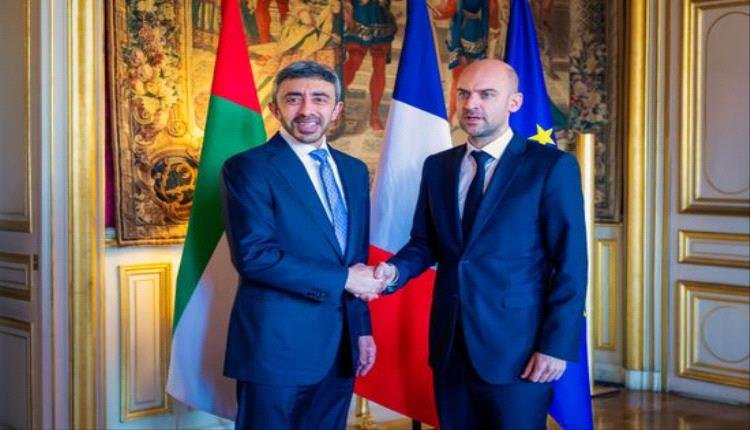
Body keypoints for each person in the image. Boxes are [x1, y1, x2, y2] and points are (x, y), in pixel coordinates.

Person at [374, 59, 587, 429]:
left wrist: (555, 346)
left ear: (514, 102)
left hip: (519, 350)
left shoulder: (550, 167)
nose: (471, 104)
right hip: (450, 346)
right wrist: (392, 272)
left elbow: (571, 263)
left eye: (486, 95)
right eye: (464, 94)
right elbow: (426, 242)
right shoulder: (438, 166)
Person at [220, 60, 386, 429]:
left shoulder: (354, 170)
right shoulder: (248, 168)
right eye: (294, 99)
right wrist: (345, 280)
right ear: (275, 108)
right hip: (275, 348)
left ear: (336, 110)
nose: (307, 110)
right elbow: (255, 257)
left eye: (320, 99)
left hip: (340, 348)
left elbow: (354, 260)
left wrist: (361, 330)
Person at [342, 0, 397, 131]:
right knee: (353, 62)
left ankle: (374, 114)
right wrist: (346, 10)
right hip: (358, 15)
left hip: (381, 18)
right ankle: (336, 106)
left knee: (379, 65)